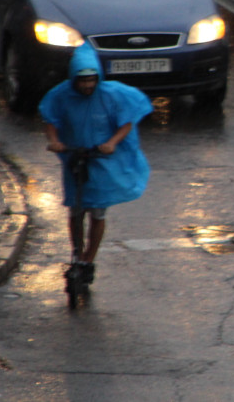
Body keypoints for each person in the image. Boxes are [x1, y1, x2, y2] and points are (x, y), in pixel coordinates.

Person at [39, 43, 153, 285]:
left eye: (91, 80)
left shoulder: (113, 95)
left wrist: (111, 143)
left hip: (100, 161)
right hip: (75, 160)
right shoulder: (61, 96)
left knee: (98, 213)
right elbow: (50, 119)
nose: (87, 86)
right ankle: (77, 253)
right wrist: (55, 141)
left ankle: (89, 259)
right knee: (75, 209)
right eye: (82, 81)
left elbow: (126, 123)